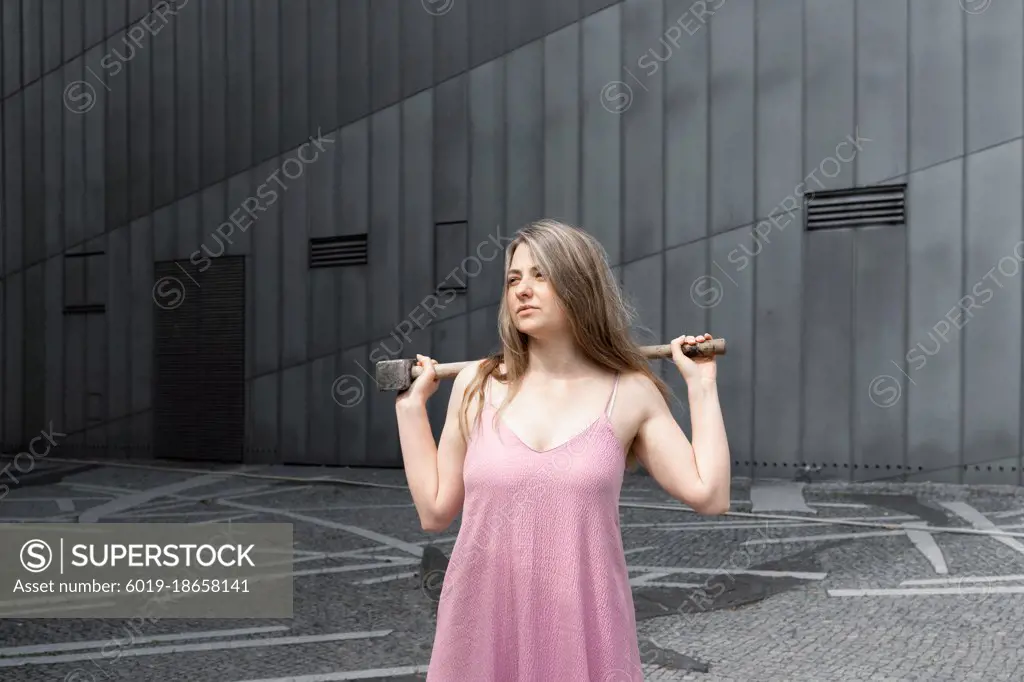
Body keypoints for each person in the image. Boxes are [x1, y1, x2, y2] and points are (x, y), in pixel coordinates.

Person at [395, 219, 731, 681]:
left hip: (586, 636)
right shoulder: (476, 384)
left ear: (579, 285)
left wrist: (703, 387)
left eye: (540, 275)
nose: (522, 290)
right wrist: (410, 410)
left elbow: (710, 495)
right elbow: (435, 512)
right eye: (513, 279)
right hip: (482, 631)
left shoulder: (630, 392)